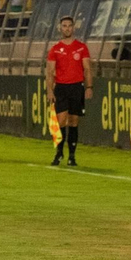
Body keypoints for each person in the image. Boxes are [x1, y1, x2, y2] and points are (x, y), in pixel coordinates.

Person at [44, 14, 92, 166]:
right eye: (64, 26)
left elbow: (87, 69)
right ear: (60, 28)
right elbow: (50, 72)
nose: (67, 28)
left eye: (69, 26)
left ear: (74, 27)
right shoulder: (55, 49)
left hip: (77, 87)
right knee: (61, 120)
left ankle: (72, 156)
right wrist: (50, 91)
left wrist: (89, 87)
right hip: (61, 88)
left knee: (73, 122)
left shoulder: (81, 47)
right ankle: (59, 153)